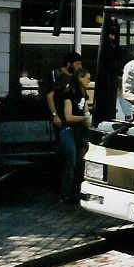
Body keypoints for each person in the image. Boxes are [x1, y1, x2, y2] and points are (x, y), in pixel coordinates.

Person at [60, 68, 91, 202]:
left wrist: (88, 120)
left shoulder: (84, 93)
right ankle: (65, 193)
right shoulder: (69, 93)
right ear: (80, 78)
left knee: (80, 162)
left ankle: (77, 192)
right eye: (87, 79)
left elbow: (86, 111)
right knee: (71, 162)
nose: (89, 81)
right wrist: (84, 119)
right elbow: (68, 116)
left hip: (80, 132)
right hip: (69, 130)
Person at [46, 51, 82, 130]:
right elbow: (50, 96)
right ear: (69, 64)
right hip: (59, 117)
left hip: (73, 117)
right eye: (77, 63)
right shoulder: (56, 74)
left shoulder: (76, 77)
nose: (80, 66)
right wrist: (55, 115)